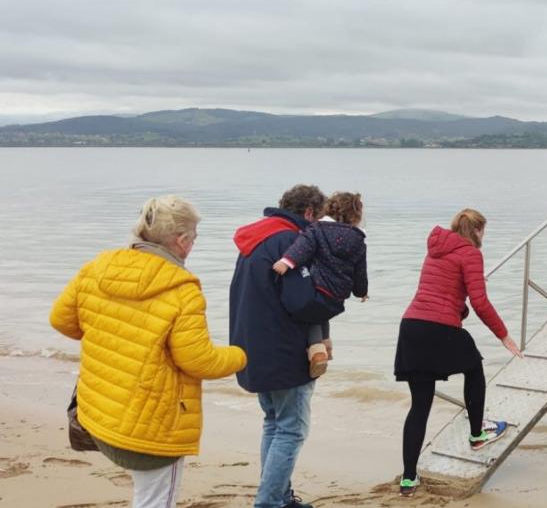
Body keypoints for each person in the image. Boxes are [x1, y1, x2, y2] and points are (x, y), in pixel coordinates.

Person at [51, 195, 247, 508]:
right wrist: (241, 354)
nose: (193, 245)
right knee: (156, 501)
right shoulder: (181, 289)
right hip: (150, 435)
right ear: (181, 241)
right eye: (194, 238)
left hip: (100, 417)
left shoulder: (97, 266)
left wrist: (108, 331)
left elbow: (61, 320)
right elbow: (199, 361)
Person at [394, 208, 523, 496]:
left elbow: (440, 291)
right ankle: (477, 434)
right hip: (439, 327)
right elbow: (480, 301)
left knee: (420, 405)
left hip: (412, 326)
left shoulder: (435, 250)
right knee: (474, 367)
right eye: (483, 232)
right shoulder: (471, 253)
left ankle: (408, 479)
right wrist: (503, 335)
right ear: (477, 231)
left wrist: (458, 307)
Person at [229, 184, 326, 508]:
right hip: (283, 349)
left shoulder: (256, 238)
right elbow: (301, 301)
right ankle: (269, 502)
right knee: (291, 430)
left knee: (274, 422)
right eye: (320, 220)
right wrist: (332, 303)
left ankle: (279, 496)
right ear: (310, 213)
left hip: (252, 345)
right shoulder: (292, 241)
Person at [272, 191, 369, 379]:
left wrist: (286, 262)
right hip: (338, 295)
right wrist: (361, 292)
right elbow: (360, 272)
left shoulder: (316, 229)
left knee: (312, 314)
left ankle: (317, 352)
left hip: (319, 288)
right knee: (324, 310)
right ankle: (326, 344)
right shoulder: (359, 241)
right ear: (355, 216)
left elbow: (302, 248)